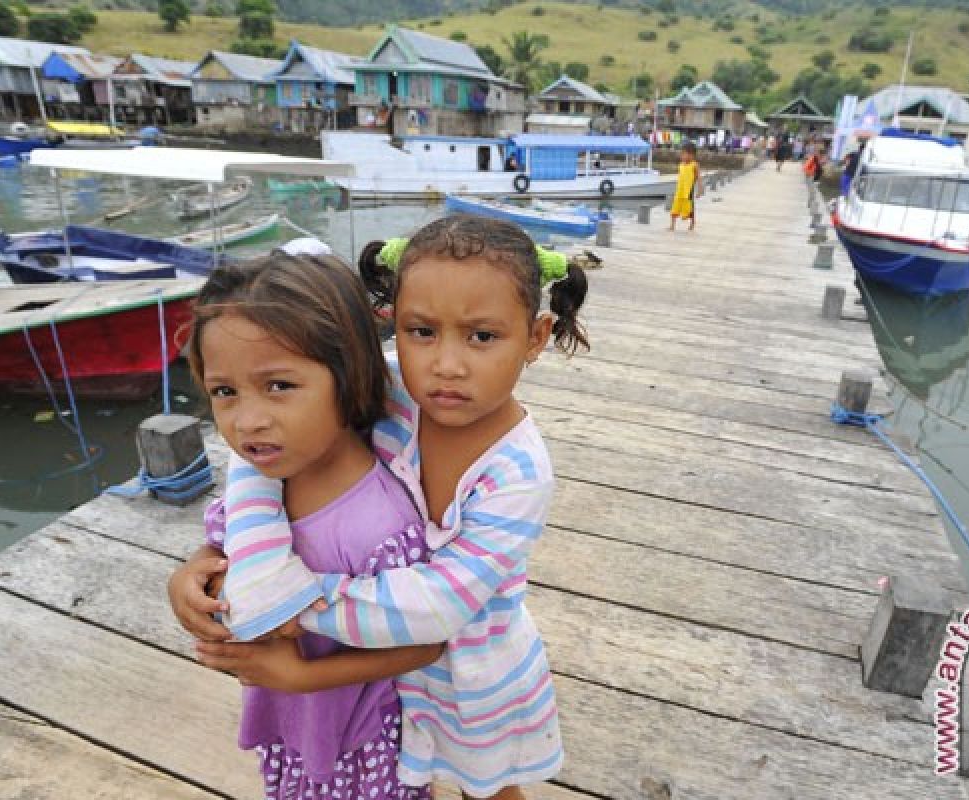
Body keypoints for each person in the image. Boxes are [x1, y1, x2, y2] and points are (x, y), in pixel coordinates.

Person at [170, 215, 589, 800]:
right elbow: (264, 451)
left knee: (488, 789)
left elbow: (441, 606)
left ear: (537, 337)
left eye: (482, 337)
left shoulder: (517, 471)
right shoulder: (390, 391)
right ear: (394, 325)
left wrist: (290, 602)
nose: (446, 363)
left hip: (468, 668)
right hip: (372, 670)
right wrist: (209, 557)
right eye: (422, 331)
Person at [174, 251, 443, 800]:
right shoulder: (265, 479)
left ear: (349, 377)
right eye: (225, 392)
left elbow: (425, 645)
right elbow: (224, 539)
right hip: (292, 722)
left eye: (278, 386)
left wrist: (297, 676)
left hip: (359, 744)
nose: (247, 421)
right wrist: (189, 575)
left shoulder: (379, 525)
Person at [669, 140, 701, 232]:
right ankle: (672, 225)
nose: (682, 156)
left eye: (684, 154)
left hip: (688, 191)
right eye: (681, 154)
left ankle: (692, 222)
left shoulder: (694, 165)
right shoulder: (681, 165)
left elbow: (698, 178)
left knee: (690, 208)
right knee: (675, 207)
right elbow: (680, 177)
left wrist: (700, 190)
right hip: (680, 190)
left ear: (691, 155)